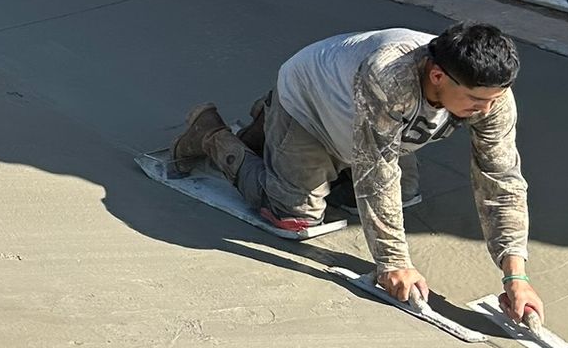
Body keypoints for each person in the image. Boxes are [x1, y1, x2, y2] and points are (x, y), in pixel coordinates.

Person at [172, 23, 540, 320]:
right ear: (439, 76)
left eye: (493, 99)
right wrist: (393, 263)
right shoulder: (391, 77)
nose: (487, 109)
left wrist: (516, 275)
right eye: (477, 100)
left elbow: (501, 178)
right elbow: (375, 171)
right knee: (296, 217)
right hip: (310, 103)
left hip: (370, 120)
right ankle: (212, 134)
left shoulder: (492, 96)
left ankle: (270, 129)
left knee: (404, 195)